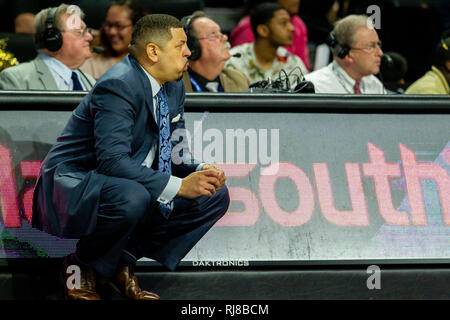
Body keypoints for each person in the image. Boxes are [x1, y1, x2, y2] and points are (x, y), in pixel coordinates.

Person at [32, 13, 229, 300]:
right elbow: (112, 161)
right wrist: (179, 186)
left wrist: (200, 169)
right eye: (181, 45)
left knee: (213, 195)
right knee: (133, 196)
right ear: (153, 52)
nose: (189, 52)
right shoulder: (119, 84)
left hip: (125, 180)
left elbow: (174, 153)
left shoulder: (173, 86)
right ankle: (81, 262)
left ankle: (120, 260)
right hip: (77, 180)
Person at [0, 4, 95, 91]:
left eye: (87, 31)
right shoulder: (17, 78)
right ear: (53, 38)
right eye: (79, 31)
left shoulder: (90, 82)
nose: (90, 37)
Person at [226, 2, 308, 85]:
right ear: (263, 30)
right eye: (283, 23)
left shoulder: (293, 63)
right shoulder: (234, 60)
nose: (291, 28)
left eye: (290, 22)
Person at [304, 14, 385, 94]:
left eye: (378, 44)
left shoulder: (376, 85)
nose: (380, 53)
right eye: (370, 47)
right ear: (346, 53)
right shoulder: (315, 87)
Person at [181, 11, 249, 92]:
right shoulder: (173, 84)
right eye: (213, 34)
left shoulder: (238, 80)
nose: (225, 37)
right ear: (192, 47)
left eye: (221, 33)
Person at [80, 0, 147, 79]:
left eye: (119, 26)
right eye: (108, 25)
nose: (112, 32)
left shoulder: (151, 64)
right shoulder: (92, 62)